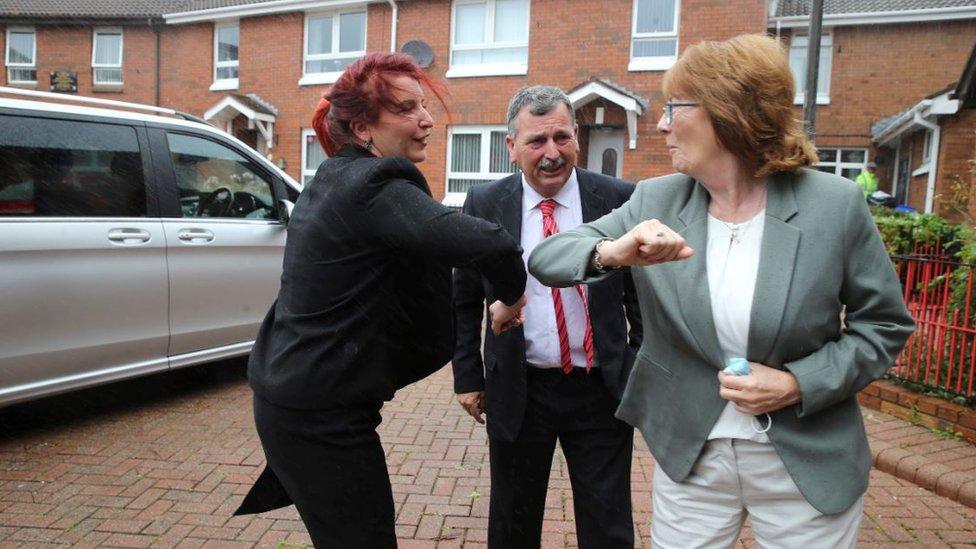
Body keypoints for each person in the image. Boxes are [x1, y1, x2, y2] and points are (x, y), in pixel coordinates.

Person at [528, 35, 915, 548]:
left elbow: (883, 325)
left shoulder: (834, 205)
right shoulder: (657, 198)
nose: (662, 123)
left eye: (675, 107)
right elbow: (547, 258)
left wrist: (797, 382)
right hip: (692, 453)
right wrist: (613, 250)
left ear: (728, 111)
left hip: (803, 457)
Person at [234, 52, 527, 548]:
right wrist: (510, 299)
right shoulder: (374, 186)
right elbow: (490, 243)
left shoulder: (334, 177)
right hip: (318, 416)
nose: (426, 119)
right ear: (363, 129)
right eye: (408, 109)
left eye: (424, 106)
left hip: (296, 398)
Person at [453, 85, 642, 548]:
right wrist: (466, 376)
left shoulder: (619, 198)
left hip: (601, 390)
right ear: (511, 146)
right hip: (521, 387)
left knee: (607, 523)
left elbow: (641, 298)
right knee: (514, 522)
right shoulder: (484, 204)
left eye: (562, 137)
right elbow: (462, 297)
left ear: (577, 136)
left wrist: (635, 366)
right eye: (537, 141)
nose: (552, 153)